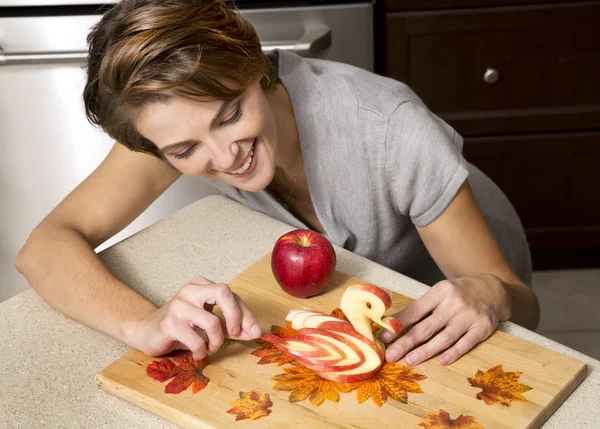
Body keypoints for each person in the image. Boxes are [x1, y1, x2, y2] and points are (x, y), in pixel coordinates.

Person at [16, 0, 539, 368]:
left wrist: (492, 291)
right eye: (184, 152)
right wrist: (142, 323)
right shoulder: (176, 131)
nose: (225, 157)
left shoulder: (393, 129)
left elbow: (523, 306)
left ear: (252, 67)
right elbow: (45, 246)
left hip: (464, 264)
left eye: (230, 115)